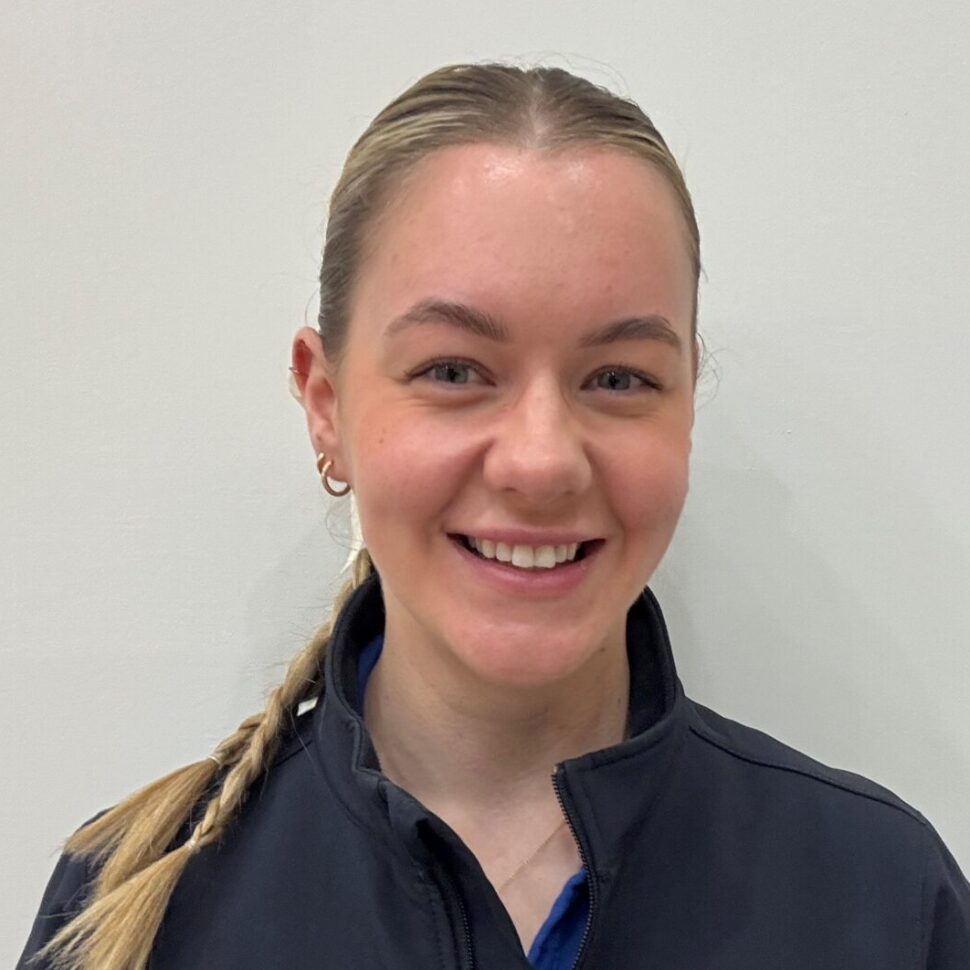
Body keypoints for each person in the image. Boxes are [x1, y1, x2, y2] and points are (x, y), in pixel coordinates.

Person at [17, 61, 970, 970]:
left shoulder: (882, 899)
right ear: (326, 405)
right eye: (453, 371)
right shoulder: (131, 907)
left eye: (619, 378)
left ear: (685, 409)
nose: (541, 462)